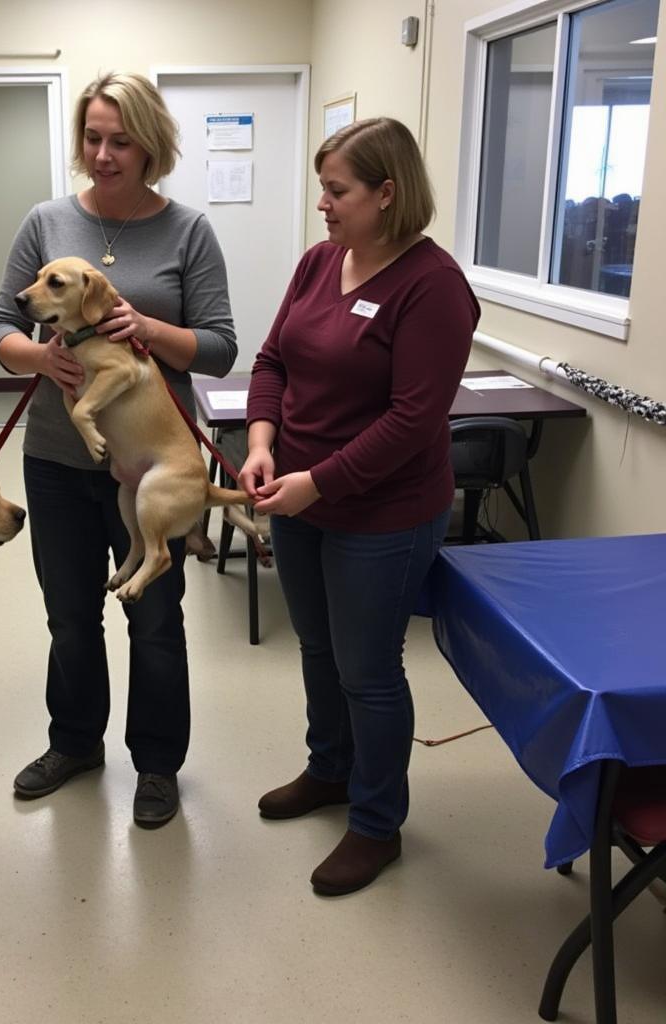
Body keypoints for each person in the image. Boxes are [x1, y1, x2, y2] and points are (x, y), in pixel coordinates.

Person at [0, 71, 236, 828]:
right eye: (92, 138)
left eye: (120, 140)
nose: (103, 154)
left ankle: (157, 765)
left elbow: (222, 349)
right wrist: (38, 358)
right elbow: (0, 325)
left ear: (150, 145)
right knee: (69, 616)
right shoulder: (46, 220)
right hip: (60, 461)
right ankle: (74, 743)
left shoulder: (188, 231)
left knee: (155, 619)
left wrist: (149, 331)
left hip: (152, 461)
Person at [238, 117, 479, 895]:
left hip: (384, 510)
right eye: (323, 189)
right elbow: (272, 358)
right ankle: (330, 770)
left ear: (387, 192)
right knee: (317, 648)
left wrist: (319, 484)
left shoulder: (433, 287)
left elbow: (415, 421)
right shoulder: (319, 263)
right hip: (299, 491)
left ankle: (377, 825)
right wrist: (263, 441)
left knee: (368, 669)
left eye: (336, 191)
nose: (323, 205)